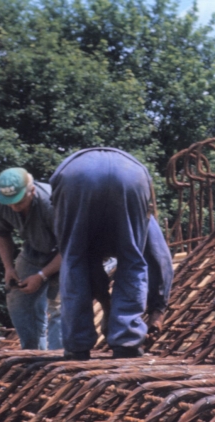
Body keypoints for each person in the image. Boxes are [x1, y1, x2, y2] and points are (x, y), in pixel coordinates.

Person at [50, 148, 156, 359]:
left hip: (75, 175)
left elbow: (84, 269)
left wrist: (157, 311)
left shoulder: (88, 234)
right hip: (132, 175)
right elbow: (159, 259)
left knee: (73, 259)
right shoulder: (147, 222)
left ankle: (77, 344)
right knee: (132, 259)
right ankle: (127, 342)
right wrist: (157, 308)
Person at [0, 168, 63, 350]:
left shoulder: (52, 203)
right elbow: (1, 233)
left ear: (32, 191)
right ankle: (33, 355)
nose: (14, 207)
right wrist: (9, 268)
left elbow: (71, 249)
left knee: (60, 307)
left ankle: (60, 361)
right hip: (34, 250)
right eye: (10, 202)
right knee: (17, 299)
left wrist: (41, 276)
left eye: (19, 202)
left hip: (65, 255)